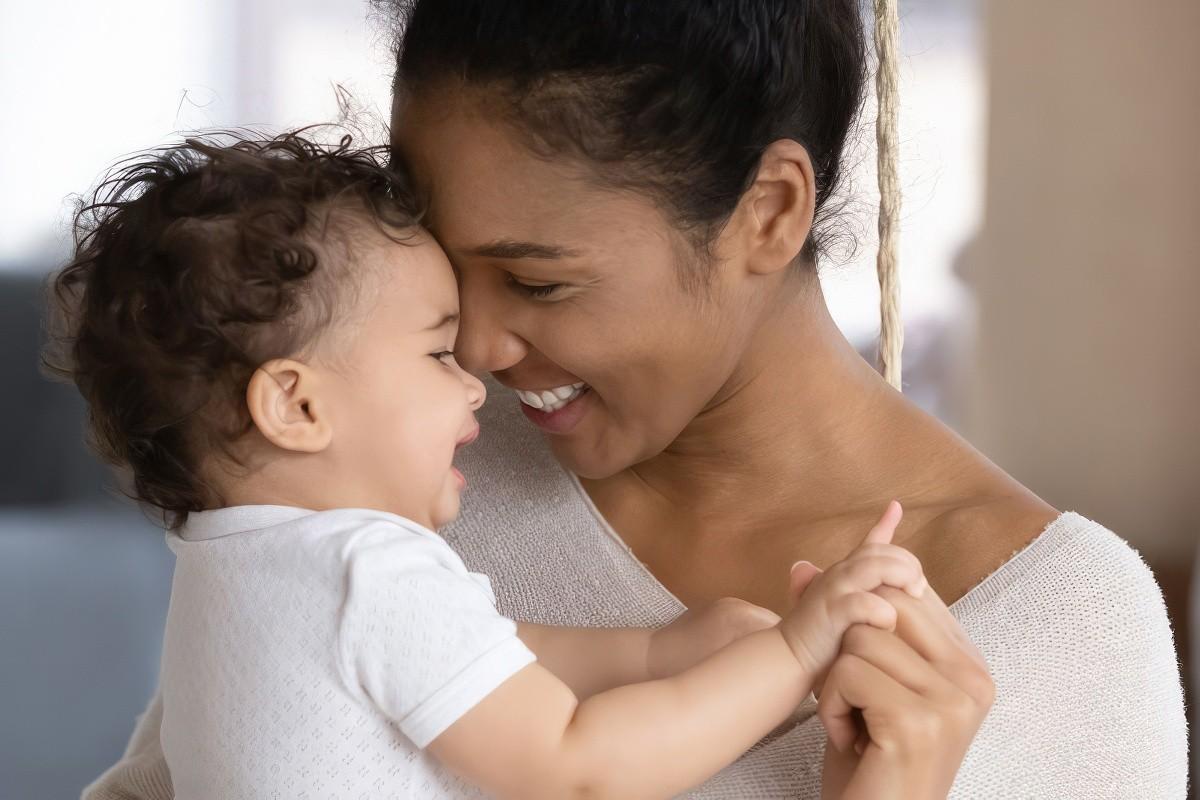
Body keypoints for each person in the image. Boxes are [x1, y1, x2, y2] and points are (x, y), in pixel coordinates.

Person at [85, 1, 1188, 798]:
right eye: (446, 269)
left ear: (769, 210)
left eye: (538, 279)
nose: (474, 345)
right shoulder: (389, 474)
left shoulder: (1060, 628)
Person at [51, 133, 934, 799]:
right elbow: (578, 764)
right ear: (298, 405)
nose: (476, 379)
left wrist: (659, 650)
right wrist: (794, 649)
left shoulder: (230, 569)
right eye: (437, 354)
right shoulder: (366, 566)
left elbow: (490, 657)